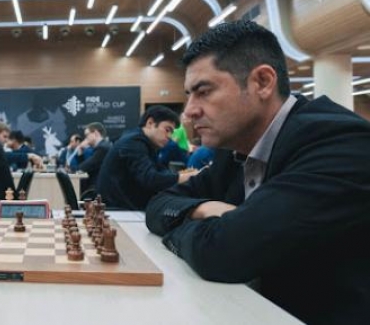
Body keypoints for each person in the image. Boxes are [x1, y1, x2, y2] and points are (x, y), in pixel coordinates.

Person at [145, 21, 370, 325]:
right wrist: (202, 209)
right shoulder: (233, 152)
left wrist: (183, 228)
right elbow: (158, 205)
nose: (189, 111)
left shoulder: (339, 142)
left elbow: (225, 253)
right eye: (189, 95)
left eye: (203, 91)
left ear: (262, 82)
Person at [96, 106, 199, 210]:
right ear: (150, 123)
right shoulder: (133, 143)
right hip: (118, 212)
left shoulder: (146, 143)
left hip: (125, 208)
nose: (169, 136)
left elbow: (160, 171)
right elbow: (150, 179)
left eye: (171, 132)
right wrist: (188, 176)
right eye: (167, 130)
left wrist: (181, 175)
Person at [75, 122, 111, 193]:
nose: (86, 139)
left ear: (96, 133)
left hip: (99, 189)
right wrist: (80, 151)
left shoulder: (102, 148)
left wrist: (80, 148)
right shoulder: (102, 146)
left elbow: (83, 168)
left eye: (87, 135)